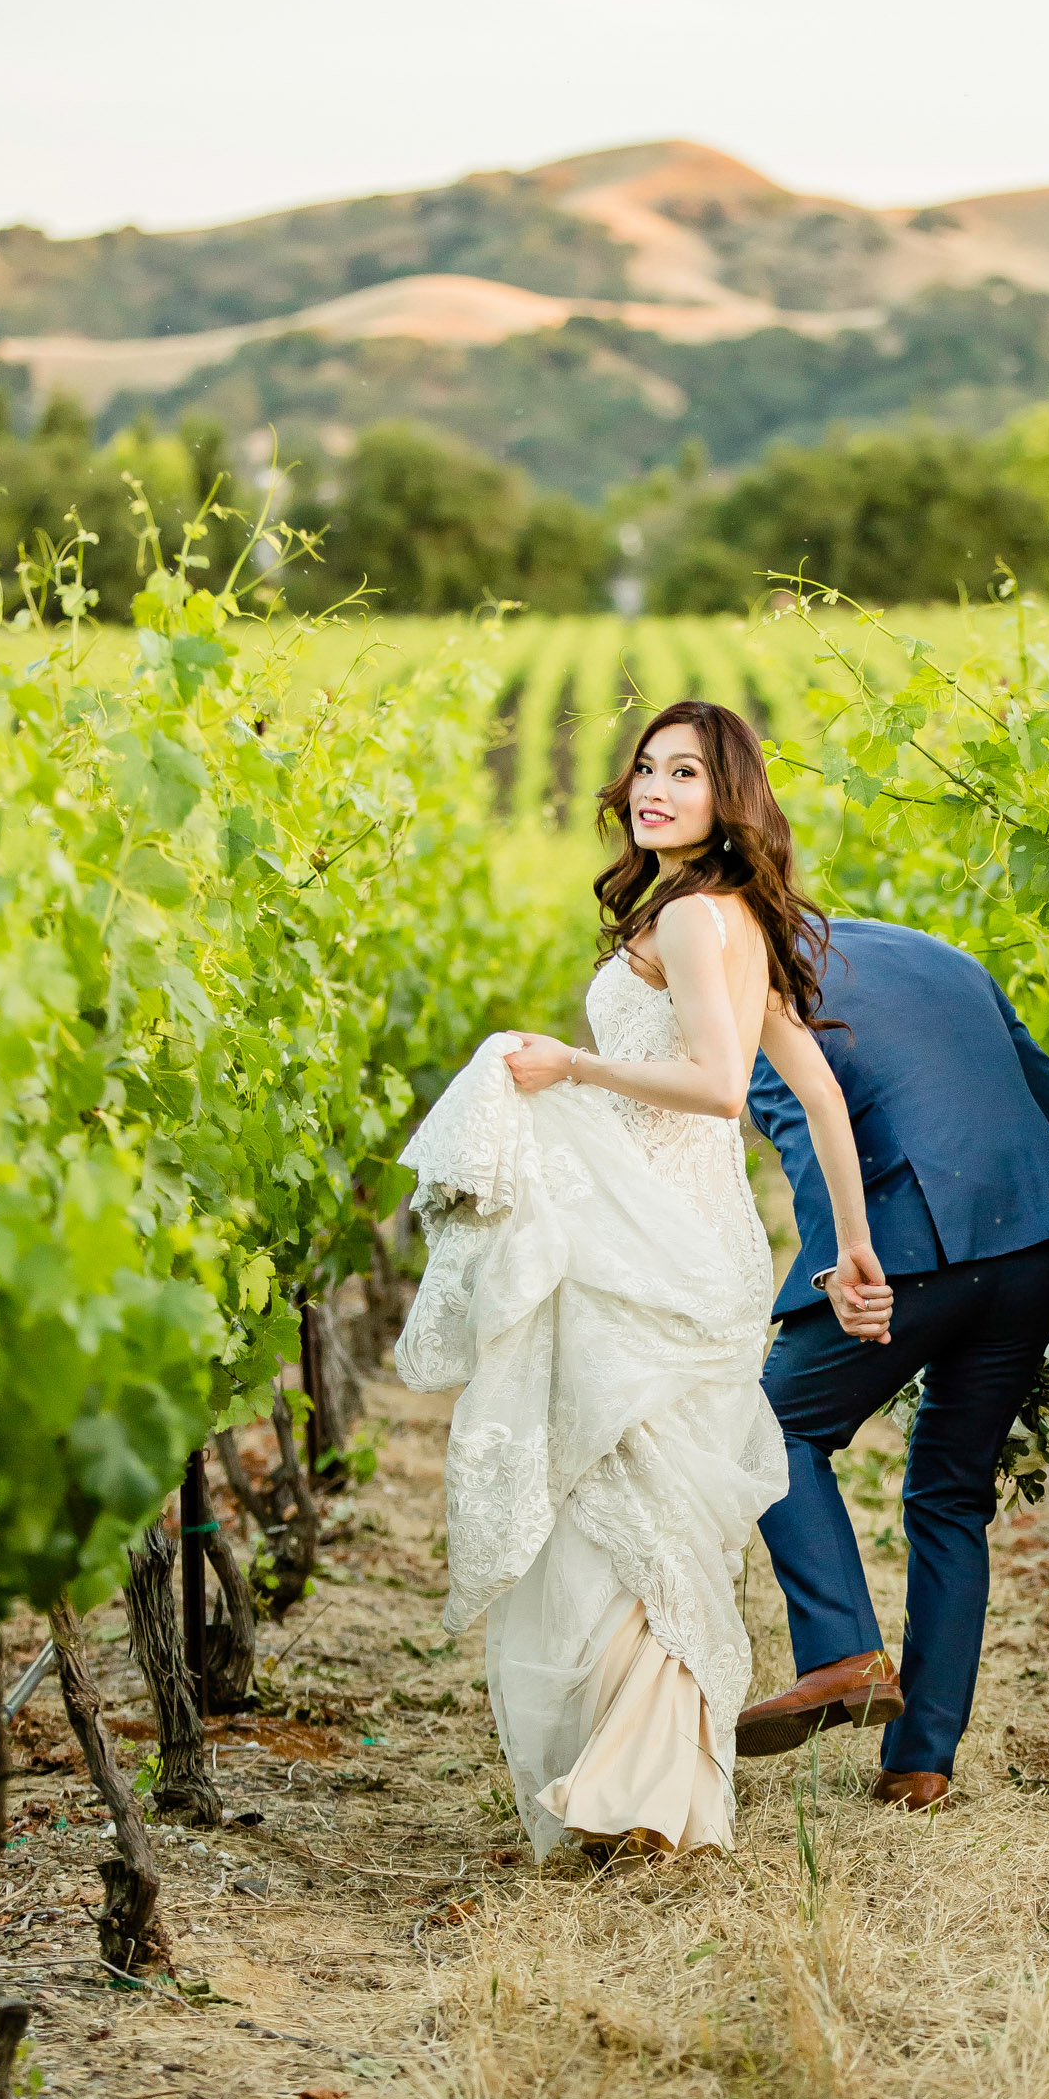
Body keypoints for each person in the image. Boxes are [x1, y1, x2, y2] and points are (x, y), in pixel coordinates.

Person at [393, 701, 882, 1861]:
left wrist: (568, 1065)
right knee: (636, 1501)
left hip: (653, 1230)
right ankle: (641, 1779)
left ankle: (644, 1787)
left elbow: (721, 1089)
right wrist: (851, 1245)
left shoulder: (704, 920)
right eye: (648, 766)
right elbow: (812, 1094)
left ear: (728, 799)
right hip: (674, 1224)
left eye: (687, 773)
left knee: (640, 1492)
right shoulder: (725, 915)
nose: (656, 788)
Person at [739, 919, 1049, 1810]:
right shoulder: (942, 952)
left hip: (911, 1243)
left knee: (771, 1424)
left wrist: (839, 1268)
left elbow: (804, 1128)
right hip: (1040, 1239)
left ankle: (843, 1652)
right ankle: (921, 1764)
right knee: (951, 1494)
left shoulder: (756, 984)